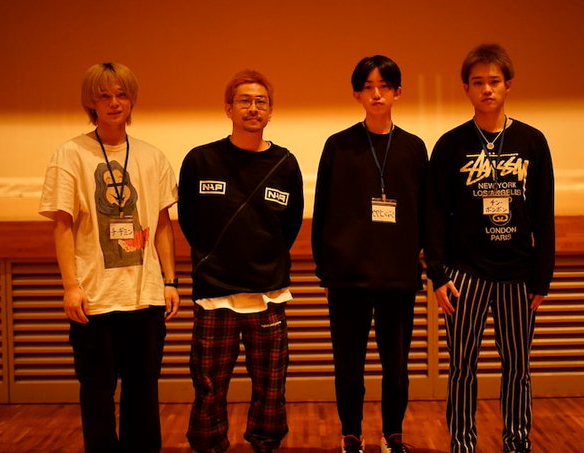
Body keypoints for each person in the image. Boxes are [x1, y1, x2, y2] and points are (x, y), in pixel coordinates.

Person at [39, 62, 181, 453]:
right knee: (97, 390)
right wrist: (71, 287)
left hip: (144, 296)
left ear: (132, 100)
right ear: (91, 103)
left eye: (121, 94)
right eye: (104, 96)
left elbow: (163, 224)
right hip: (94, 298)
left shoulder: (152, 156)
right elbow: (63, 226)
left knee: (143, 390)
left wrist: (169, 281)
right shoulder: (70, 154)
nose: (114, 102)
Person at [425, 44, 555, 453]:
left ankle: (517, 442)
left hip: (518, 274)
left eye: (494, 81)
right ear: (466, 88)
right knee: (462, 367)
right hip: (464, 274)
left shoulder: (532, 141)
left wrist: (542, 277)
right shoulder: (450, 145)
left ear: (508, 85)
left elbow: (544, 213)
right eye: (478, 82)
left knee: (517, 367)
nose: (486, 89)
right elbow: (433, 214)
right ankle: (463, 444)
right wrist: (437, 275)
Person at [178, 69, 304, 453]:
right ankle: (209, 445)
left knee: (271, 386)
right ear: (228, 108)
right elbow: (189, 221)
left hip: (268, 293)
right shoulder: (201, 160)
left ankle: (266, 443)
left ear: (270, 111)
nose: (253, 108)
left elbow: (290, 226)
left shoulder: (285, 164)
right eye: (244, 101)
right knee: (209, 386)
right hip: (214, 294)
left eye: (260, 102)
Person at [312, 55, 428, 453]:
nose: (376, 94)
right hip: (348, 278)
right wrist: (326, 270)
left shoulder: (414, 148)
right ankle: (351, 435)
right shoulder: (338, 145)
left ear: (398, 92)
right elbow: (323, 210)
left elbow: (426, 211)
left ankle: (393, 434)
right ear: (356, 94)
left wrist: (427, 263)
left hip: (398, 277)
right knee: (349, 367)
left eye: (384, 86)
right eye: (368, 87)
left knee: (397, 368)